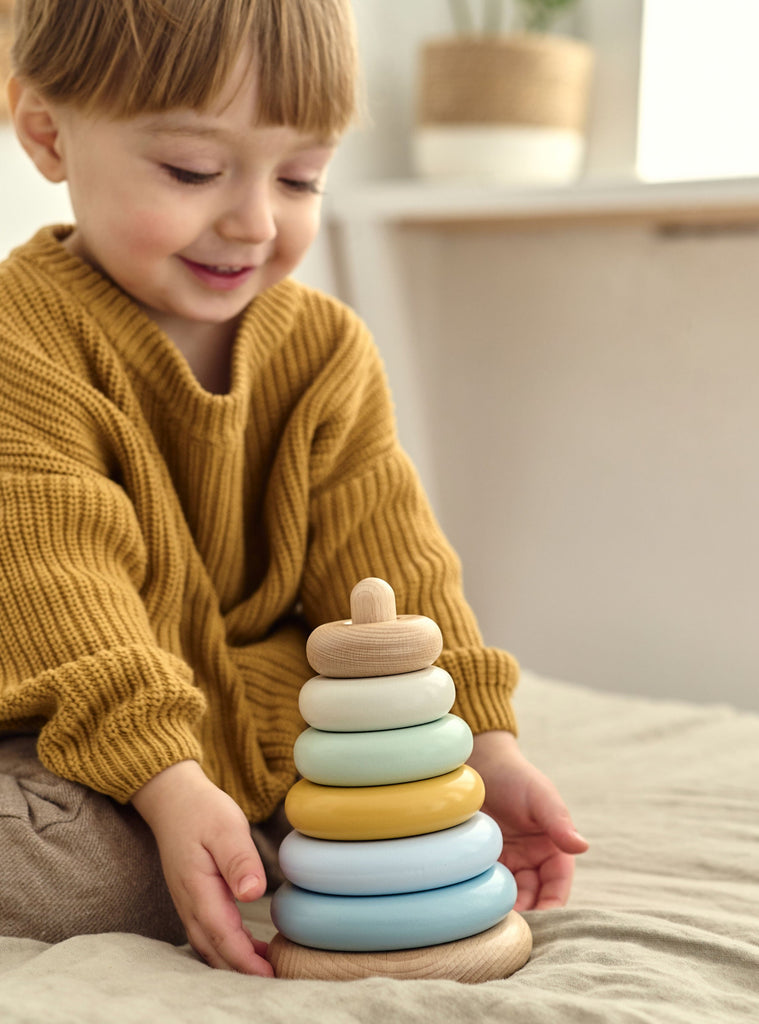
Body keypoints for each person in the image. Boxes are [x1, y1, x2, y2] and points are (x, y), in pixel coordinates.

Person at [0, 0, 588, 977]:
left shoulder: (327, 353)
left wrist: (482, 743)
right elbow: (58, 587)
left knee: (363, 817)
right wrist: (167, 781)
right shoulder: (23, 341)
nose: (255, 221)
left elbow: (396, 574)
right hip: (72, 719)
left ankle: (232, 815)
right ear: (48, 131)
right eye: (191, 171)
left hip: (261, 728)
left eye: (302, 176)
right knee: (86, 872)